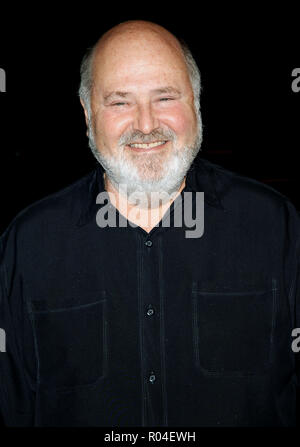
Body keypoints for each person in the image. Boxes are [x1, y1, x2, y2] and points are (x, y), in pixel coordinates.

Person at [0, 19, 299, 427]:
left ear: (196, 102)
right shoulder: (27, 245)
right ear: (88, 113)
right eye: (120, 102)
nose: (145, 124)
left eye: (164, 98)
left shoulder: (276, 228)